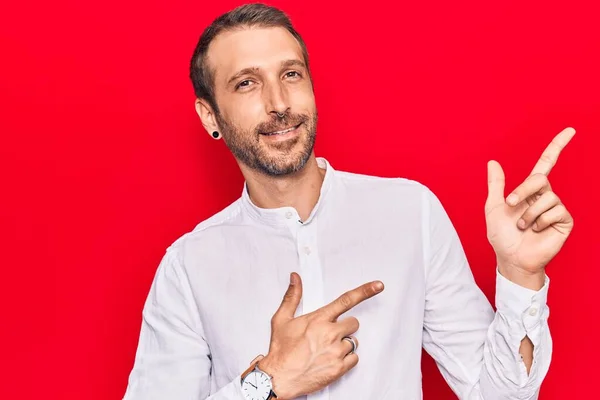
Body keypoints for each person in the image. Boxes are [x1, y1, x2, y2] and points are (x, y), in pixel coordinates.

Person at [122, 3, 575, 400]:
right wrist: (270, 382)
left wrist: (520, 274)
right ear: (209, 116)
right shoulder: (188, 266)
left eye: (291, 74)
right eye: (246, 83)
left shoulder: (409, 212)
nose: (279, 102)